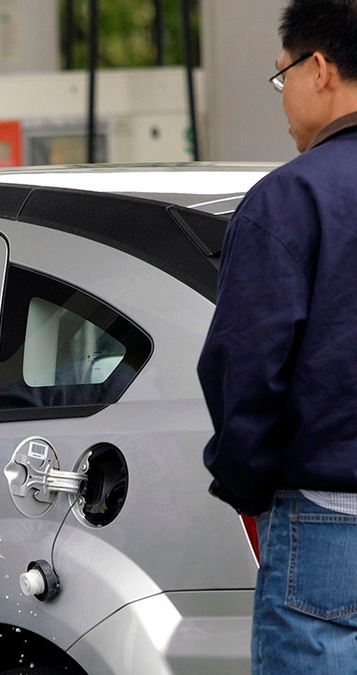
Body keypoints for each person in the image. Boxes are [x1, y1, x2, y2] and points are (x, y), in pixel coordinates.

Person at [197, 1, 357, 671]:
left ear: (318, 68)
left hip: (328, 518)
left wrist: (247, 484)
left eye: (281, 73)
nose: (283, 95)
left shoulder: (290, 198)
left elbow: (246, 365)